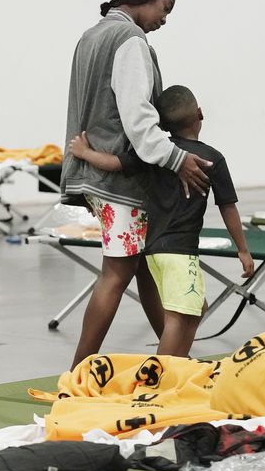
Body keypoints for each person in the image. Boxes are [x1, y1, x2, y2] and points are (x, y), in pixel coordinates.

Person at [60, 0, 212, 369]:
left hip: (98, 175)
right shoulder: (130, 39)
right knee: (116, 273)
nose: (165, 18)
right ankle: (77, 371)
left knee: (144, 268)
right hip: (121, 182)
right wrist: (177, 158)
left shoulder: (92, 35)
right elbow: (138, 118)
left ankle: (175, 361)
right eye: (165, 7)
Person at [69, 85, 254, 357]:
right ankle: (162, 373)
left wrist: (84, 153)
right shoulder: (211, 159)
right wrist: (242, 249)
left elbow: (115, 163)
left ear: (163, 126)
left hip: (152, 251)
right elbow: (228, 207)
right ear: (200, 114)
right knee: (181, 319)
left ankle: (176, 365)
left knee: (195, 309)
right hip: (181, 251)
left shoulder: (155, 153)